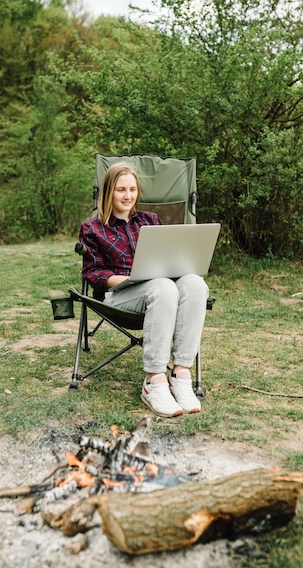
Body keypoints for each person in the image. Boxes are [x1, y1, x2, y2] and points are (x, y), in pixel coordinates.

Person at [78, 162, 209, 418]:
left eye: (132, 189)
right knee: (162, 287)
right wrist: (131, 280)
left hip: (160, 289)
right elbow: (93, 273)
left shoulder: (150, 220)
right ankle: (154, 380)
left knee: (194, 282)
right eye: (120, 190)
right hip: (119, 296)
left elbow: (168, 260)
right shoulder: (92, 228)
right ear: (108, 192)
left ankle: (181, 374)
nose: (128, 196)